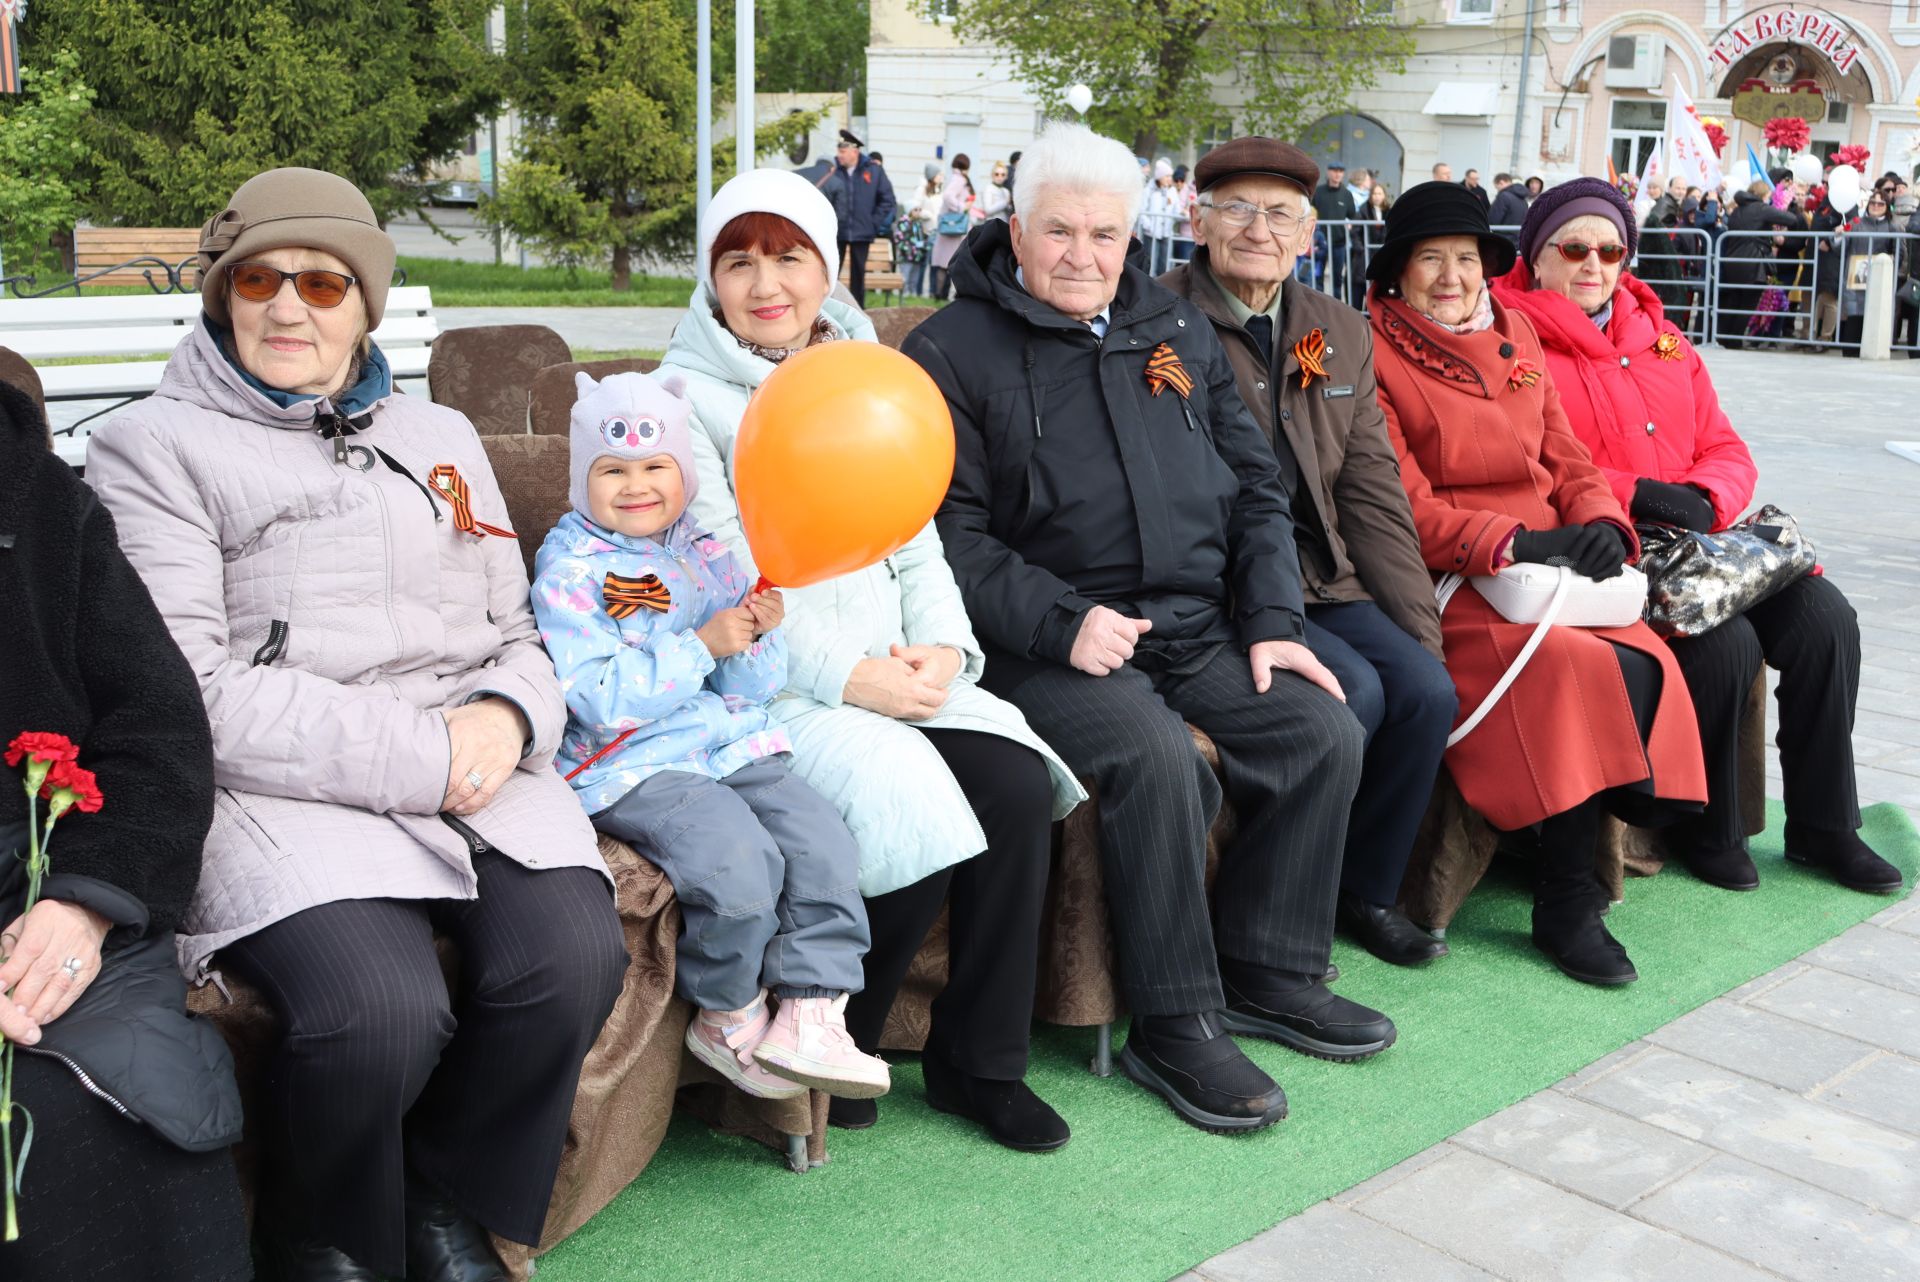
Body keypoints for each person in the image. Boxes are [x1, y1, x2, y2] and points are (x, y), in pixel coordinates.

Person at [85, 168, 628, 1282]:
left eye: (325, 281)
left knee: (573, 957)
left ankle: (440, 1194)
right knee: (377, 1007)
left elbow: (518, 629)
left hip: (471, 757)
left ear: (366, 304)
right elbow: (191, 687)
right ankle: (321, 1229)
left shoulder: (439, 433)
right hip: (274, 782)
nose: (291, 306)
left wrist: (506, 714)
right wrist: (426, 757)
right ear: (222, 294)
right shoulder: (153, 447)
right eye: (261, 278)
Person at [903, 120, 1392, 1136]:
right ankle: (1176, 1021)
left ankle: (1268, 967)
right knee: (1157, 758)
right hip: (1047, 647)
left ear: (1137, 235)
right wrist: (1063, 619)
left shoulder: (1170, 330)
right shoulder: (952, 350)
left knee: (1320, 729)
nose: (1083, 256)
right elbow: (949, 532)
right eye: (1060, 232)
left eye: (1106, 234)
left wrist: (1269, 617)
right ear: (1014, 228)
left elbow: (1257, 484)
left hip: (1198, 625)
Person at [660, 170, 1086, 1152]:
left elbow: (916, 538)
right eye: (740, 259)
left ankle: (981, 1062)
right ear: (712, 276)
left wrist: (940, 647)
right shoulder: (682, 404)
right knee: (907, 794)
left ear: (829, 266)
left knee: (1015, 784)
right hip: (774, 684)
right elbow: (721, 577)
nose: (766, 282)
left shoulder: (866, 369)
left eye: (790, 256)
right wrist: (852, 679)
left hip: (895, 660)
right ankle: (839, 1040)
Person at [1491, 177, 1901, 898]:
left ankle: (1824, 825)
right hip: (1613, 544)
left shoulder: (1663, 338)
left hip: (1701, 538)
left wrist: (1710, 497)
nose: (1594, 263)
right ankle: (1710, 828)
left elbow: (1725, 443)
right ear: (1538, 255)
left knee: (1826, 620)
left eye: (1611, 248)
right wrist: (1637, 493)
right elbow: (1530, 457)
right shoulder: (1512, 337)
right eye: (1575, 247)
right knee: (1724, 643)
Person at [1365, 181, 1707, 987]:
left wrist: (1598, 524)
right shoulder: (1367, 347)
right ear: (1397, 272)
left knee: (1643, 653)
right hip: (1457, 580)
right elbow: (1398, 503)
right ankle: (1565, 901)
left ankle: (1630, 824)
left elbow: (1568, 457)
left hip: (1551, 568)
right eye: (1430, 260)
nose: (1451, 278)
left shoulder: (1515, 329)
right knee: (1574, 667)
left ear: (1490, 269)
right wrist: (1511, 539)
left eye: (1466, 259)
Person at [533, 369, 893, 1102]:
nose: (636, 485)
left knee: (822, 837)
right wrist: (701, 645)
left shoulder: (705, 549)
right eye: (613, 470)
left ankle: (813, 1010)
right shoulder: (569, 569)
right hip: (629, 763)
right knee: (737, 862)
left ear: (682, 471)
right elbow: (596, 700)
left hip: (724, 742)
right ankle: (728, 1013)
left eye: (655, 465)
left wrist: (757, 638)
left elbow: (747, 692)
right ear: (583, 478)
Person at [1160, 137, 1455, 967]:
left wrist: (1416, 624)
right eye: (1238, 208)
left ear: (1308, 235)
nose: (1259, 228)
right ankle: (1275, 911)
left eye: (1280, 213)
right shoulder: (1157, 321)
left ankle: (1360, 889)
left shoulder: (1338, 330)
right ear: (1200, 220)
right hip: (1225, 584)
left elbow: (1371, 492)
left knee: (1426, 688)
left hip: (1326, 573)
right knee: (1350, 694)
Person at [0, 383, 249, 1282]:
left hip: (47, 874)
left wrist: (87, 903)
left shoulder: (43, 498)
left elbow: (159, 725)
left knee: (133, 1101)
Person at [818, 129, 898, 307]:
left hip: (863, 231)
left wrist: (873, 223)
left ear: (855, 151)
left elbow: (887, 200)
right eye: (839, 151)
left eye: (843, 152)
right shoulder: (834, 171)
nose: (839, 155)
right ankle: (829, 308)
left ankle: (857, 310)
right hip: (837, 232)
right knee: (832, 273)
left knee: (858, 275)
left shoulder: (874, 170)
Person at [1718, 179, 1798, 349]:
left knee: (1733, 302)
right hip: (1752, 263)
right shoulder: (1761, 208)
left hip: (1732, 261)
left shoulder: (1737, 210)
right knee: (1748, 303)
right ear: (1763, 195)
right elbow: (1790, 219)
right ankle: (1734, 340)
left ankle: (1724, 337)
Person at [1838, 189, 1901, 356]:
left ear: (1887, 207)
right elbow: (1836, 241)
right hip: (1855, 279)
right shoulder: (1856, 221)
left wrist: (1889, 261)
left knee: (1874, 317)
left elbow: (1900, 254)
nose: (1876, 206)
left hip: (1878, 282)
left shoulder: (1892, 227)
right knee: (1854, 318)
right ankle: (1849, 353)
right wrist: (1839, 233)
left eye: (1881, 203)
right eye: (1873, 202)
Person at [930, 153, 977, 300]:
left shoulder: (956, 178)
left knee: (946, 263)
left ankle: (941, 295)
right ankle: (943, 296)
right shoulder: (960, 179)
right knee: (953, 262)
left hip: (950, 228)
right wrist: (962, 207)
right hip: (954, 228)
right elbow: (948, 196)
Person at [1311, 161, 1358, 304]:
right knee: (1317, 277)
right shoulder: (1318, 191)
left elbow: (1353, 216)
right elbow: (1310, 213)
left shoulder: (1347, 194)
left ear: (1343, 174)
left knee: (1337, 278)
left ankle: (1336, 308)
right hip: (1320, 244)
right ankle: (1317, 307)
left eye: (1340, 171)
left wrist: (1350, 225)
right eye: (1334, 170)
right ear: (1328, 172)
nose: (1337, 174)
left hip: (1339, 243)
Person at [895, 162, 942, 298]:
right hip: (921, 235)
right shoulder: (921, 191)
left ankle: (916, 292)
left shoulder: (939, 190)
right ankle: (911, 292)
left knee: (925, 264)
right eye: (938, 174)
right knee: (913, 270)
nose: (941, 177)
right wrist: (928, 215)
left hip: (932, 233)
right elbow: (916, 208)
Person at [1141, 158, 1181, 275]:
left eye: (1170, 176)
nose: (1169, 179)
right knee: (1150, 261)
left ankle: (1161, 285)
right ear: (1160, 176)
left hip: (1166, 232)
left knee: (1164, 263)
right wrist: (1149, 226)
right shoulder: (1149, 190)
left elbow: (1176, 209)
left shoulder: (1172, 191)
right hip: (1151, 233)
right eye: (1167, 176)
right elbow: (1142, 210)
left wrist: (1181, 213)